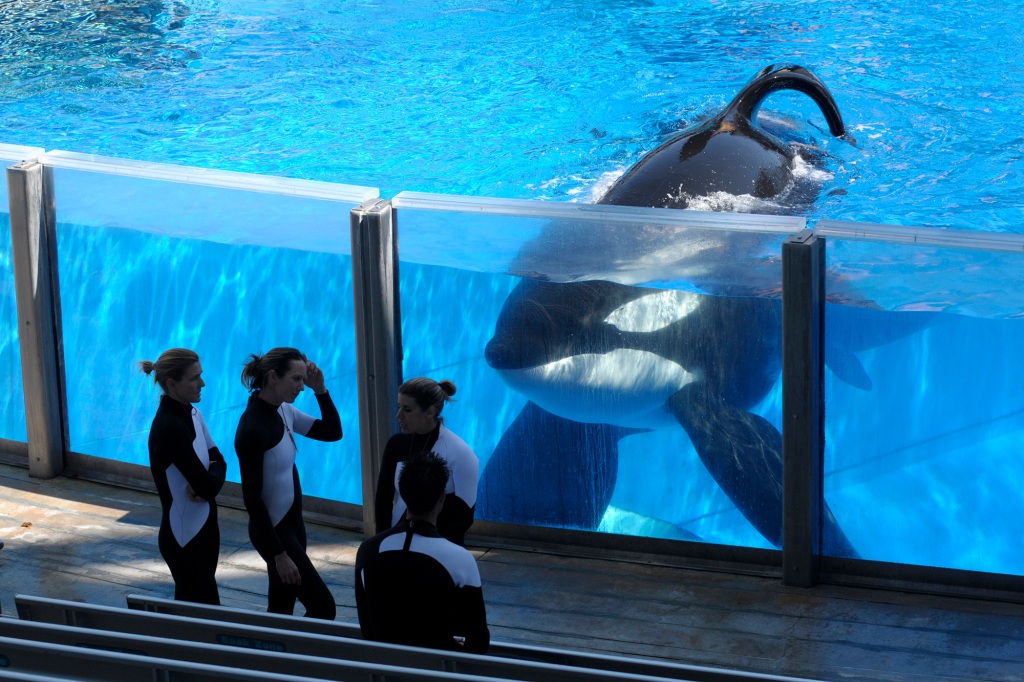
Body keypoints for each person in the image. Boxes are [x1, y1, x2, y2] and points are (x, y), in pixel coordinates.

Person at [234, 347, 342, 619]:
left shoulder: (285, 411)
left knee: (281, 607)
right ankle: (300, 660)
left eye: (303, 380)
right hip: (274, 534)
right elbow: (252, 499)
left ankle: (275, 658)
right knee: (322, 606)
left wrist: (321, 390)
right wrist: (279, 555)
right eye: (297, 379)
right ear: (273, 377)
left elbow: (332, 432)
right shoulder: (253, 428)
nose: (301, 387)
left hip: (293, 526)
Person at [356, 452, 489, 653]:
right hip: (438, 670)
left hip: (385, 668)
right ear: (442, 496)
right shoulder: (461, 559)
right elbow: (478, 641)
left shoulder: (368, 550)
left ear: (402, 492)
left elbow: (367, 629)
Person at [140, 348, 226, 605]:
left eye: (200, 375)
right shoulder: (169, 426)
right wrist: (212, 476)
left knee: (197, 618)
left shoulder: (192, 413)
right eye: (194, 378)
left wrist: (212, 475)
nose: (202, 383)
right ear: (171, 384)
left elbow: (218, 460)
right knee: (206, 619)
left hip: (204, 530)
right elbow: (207, 485)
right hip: (185, 539)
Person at [374, 377, 479, 546]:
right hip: (397, 543)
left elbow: (464, 517)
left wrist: (430, 549)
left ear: (430, 411)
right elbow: (383, 498)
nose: (398, 415)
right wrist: (382, 541)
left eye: (407, 409)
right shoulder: (396, 444)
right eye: (399, 407)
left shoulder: (461, 453)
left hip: (441, 548)